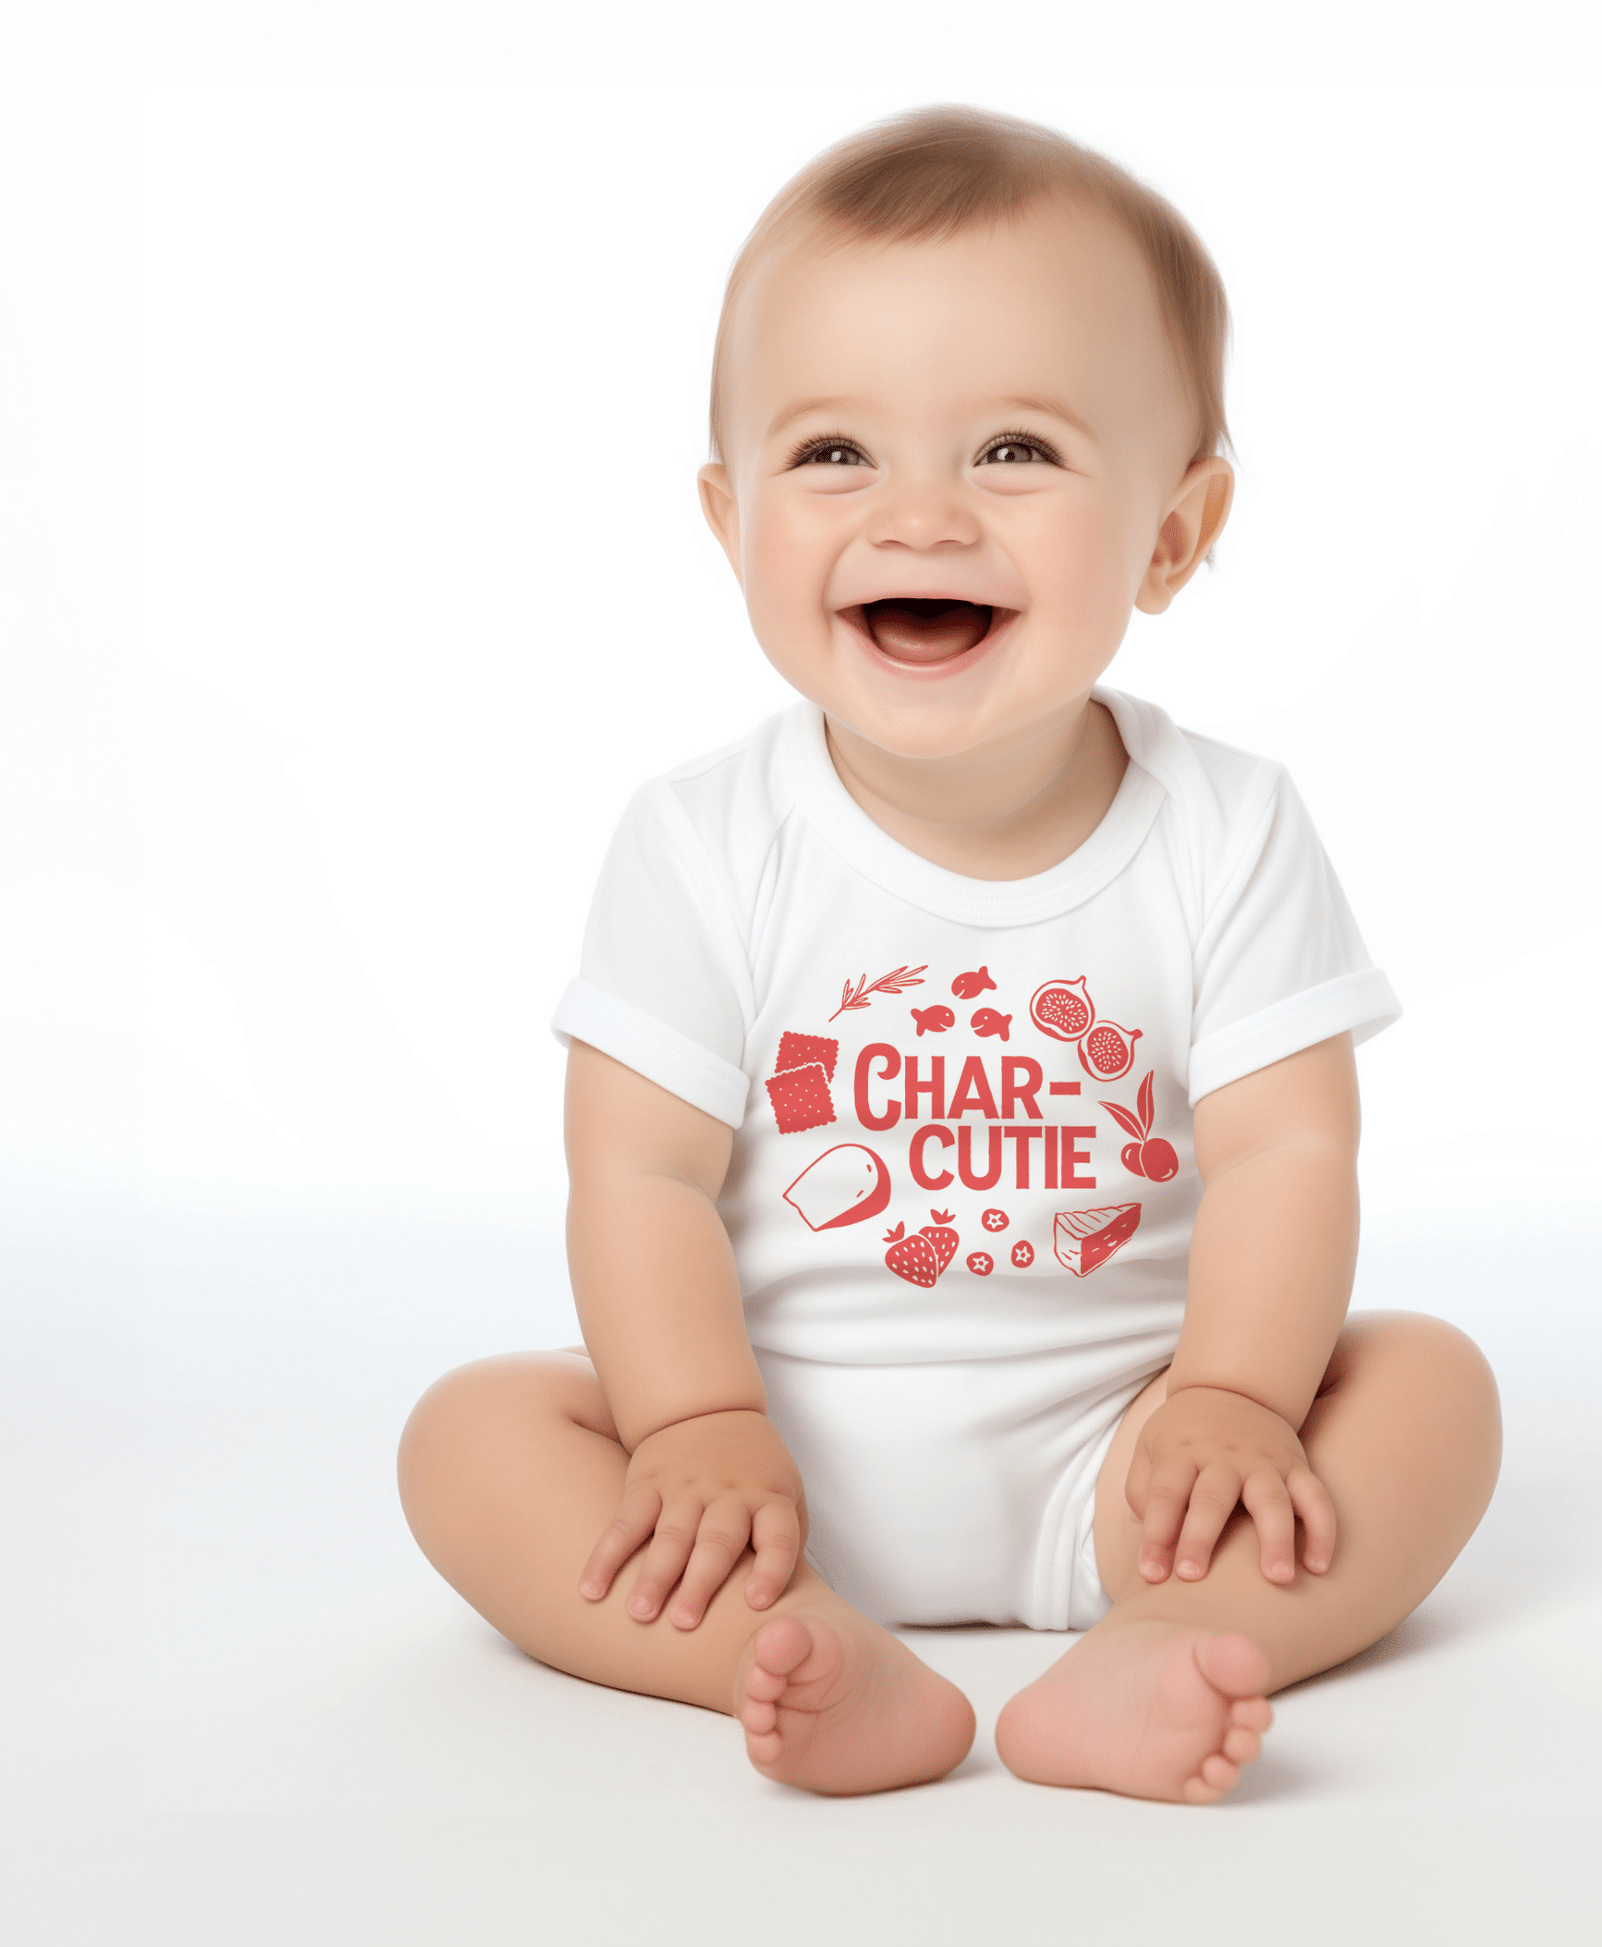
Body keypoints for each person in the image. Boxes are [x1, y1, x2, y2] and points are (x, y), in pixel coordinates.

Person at [397, 105, 1502, 1803]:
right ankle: (783, 1649)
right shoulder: (702, 839)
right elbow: (639, 1180)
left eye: (1014, 452)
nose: (918, 514)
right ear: (729, 515)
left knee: (1428, 1389)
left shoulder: (1227, 825)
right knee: (470, 1436)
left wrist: (1229, 1395)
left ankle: (1159, 1640)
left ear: (1172, 532)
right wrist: (693, 1424)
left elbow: (1287, 1145)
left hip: (1130, 1455)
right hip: (771, 1460)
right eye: (832, 453)